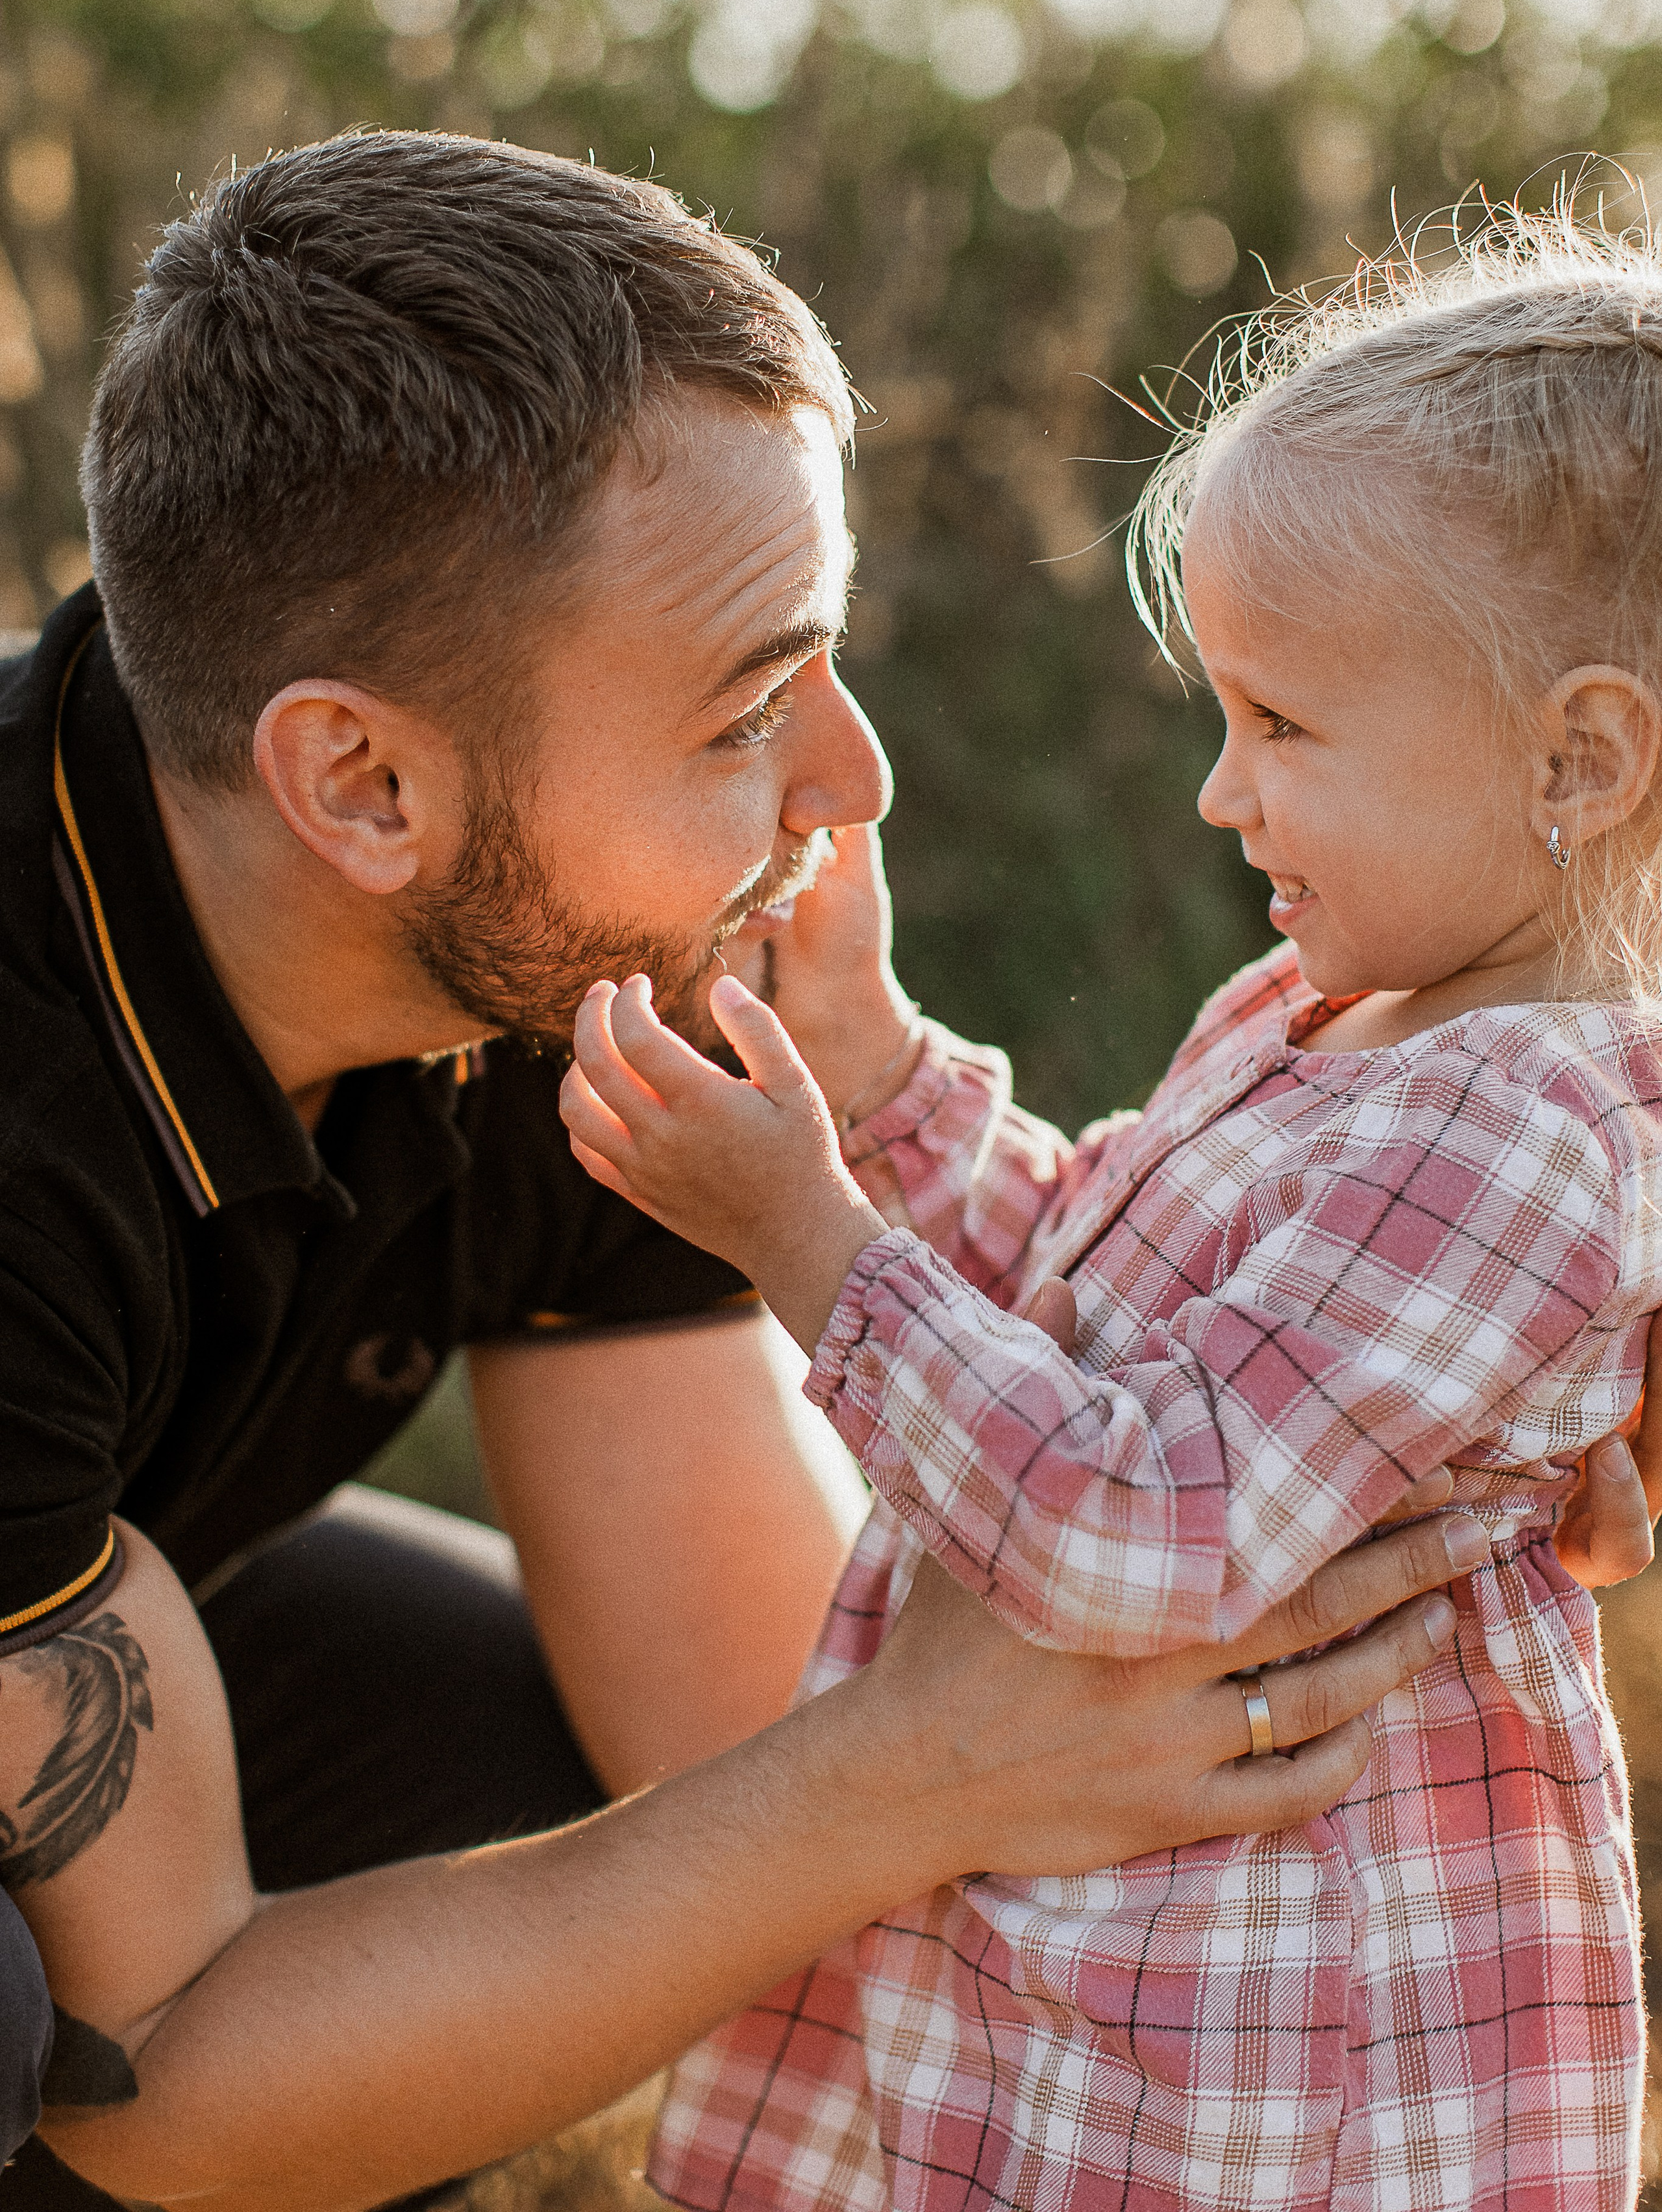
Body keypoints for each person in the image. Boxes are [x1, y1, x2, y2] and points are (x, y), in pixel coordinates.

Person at [0, 131, 1556, 2212]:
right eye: (745, 711)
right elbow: (164, 2072)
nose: (854, 778)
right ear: (359, 781)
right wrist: (904, 1769)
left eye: (822, 658)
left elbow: (745, 1708)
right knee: (34, 2018)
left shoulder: (564, 977)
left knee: (578, 1759)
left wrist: (1468, 1386)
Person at [558, 207, 1662, 2211]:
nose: (1224, 795)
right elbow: (1108, 1313)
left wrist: (811, 1239)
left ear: (1577, 758)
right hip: (1121, 1948)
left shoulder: (1530, 1133)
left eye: (1287, 728)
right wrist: (883, 1068)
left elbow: (1151, 1515)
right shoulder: (1348, 1014)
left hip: (1259, 2052)